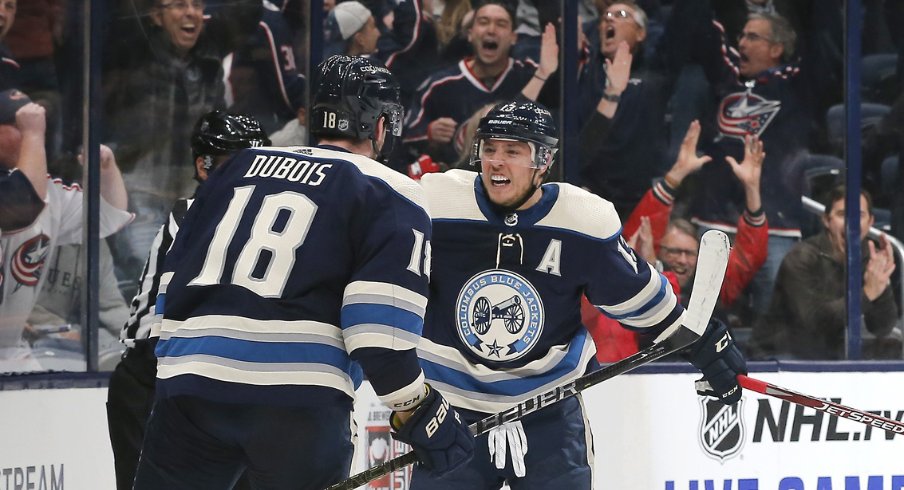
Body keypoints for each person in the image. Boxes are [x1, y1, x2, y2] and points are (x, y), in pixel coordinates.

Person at [131, 55, 473, 490]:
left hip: (189, 387)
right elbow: (378, 336)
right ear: (382, 126)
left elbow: (171, 281)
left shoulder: (236, 167)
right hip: (296, 401)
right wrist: (417, 407)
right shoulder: (392, 191)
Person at [414, 100, 747, 489]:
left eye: (513, 151)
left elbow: (646, 303)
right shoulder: (433, 204)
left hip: (548, 418)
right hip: (452, 417)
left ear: (544, 160)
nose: (496, 162)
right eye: (489, 148)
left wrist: (702, 341)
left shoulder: (582, 220)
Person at [106, 110, 270, 490]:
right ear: (204, 165)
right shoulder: (196, 211)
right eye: (242, 164)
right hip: (154, 376)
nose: (257, 176)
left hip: (214, 380)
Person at [102, 0, 262, 293]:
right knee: (145, 280)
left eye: (197, 4)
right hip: (140, 193)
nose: (191, 13)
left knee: (191, 281)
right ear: (155, 15)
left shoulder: (211, 45)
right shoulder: (133, 48)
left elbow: (249, 9)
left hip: (192, 194)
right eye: (178, 4)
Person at [0, 92, 132, 372]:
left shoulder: (51, 195)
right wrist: (34, 136)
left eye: (36, 125)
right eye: (19, 125)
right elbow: (21, 204)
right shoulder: (20, 195)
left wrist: (106, 170)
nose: (32, 132)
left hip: (10, 349)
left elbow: (106, 217)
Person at [748, 185, 899, 360]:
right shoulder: (801, 257)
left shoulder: (868, 257)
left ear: (870, 222)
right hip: (778, 355)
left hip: (827, 353)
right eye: (842, 215)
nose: (852, 222)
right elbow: (813, 323)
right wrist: (867, 294)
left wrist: (882, 286)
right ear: (826, 220)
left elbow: (881, 328)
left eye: (860, 215)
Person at [402, 1, 558, 167]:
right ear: (470, 34)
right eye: (483, 22)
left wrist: (546, 72)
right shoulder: (439, 85)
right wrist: (429, 133)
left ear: (514, 38)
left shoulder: (532, 74)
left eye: (501, 24)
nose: (491, 30)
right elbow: (406, 137)